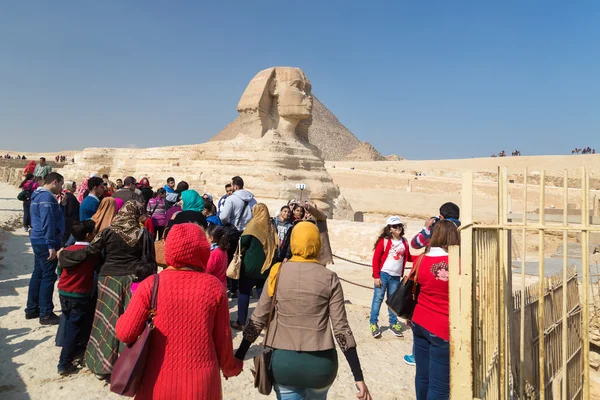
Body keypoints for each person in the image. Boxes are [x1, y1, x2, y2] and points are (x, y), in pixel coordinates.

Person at [235, 221, 373, 400]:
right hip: (321, 365)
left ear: (293, 243)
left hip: (284, 363)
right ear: (317, 244)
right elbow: (341, 329)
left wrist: (239, 356)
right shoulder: (330, 278)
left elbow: (257, 319)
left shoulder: (278, 273)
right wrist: (358, 376)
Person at [115, 223, 243, 399]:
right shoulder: (214, 287)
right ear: (202, 249)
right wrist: (231, 368)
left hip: (157, 381)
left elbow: (125, 333)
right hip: (202, 384)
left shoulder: (151, 285)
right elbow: (223, 337)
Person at [58, 200, 149, 379]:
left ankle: (102, 364)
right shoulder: (142, 233)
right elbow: (148, 260)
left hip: (107, 281)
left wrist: (66, 256)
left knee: (105, 321)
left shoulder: (107, 231)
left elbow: (90, 251)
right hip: (132, 281)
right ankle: (127, 365)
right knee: (130, 321)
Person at [405, 202, 461, 367]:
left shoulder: (439, 228)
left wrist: (427, 228)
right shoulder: (462, 230)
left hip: (430, 272)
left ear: (441, 216)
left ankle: (416, 356)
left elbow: (415, 243)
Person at [412, 220, 459, 400]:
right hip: (442, 328)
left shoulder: (421, 259)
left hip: (420, 321)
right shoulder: (457, 263)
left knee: (423, 377)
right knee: (439, 387)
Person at [55, 220, 98, 375]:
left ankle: (69, 351)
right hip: (79, 294)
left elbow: (59, 271)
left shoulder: (66, 251)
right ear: (88, 235)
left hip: (63, 291)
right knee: (74, 326)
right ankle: (64, 363)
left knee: (68, 322)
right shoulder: (92, 253)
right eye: (94, 232)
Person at [25, 172, 65, 324]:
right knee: (48, 276)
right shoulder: (47, 198)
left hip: (37, 238)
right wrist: (51, 245)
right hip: (45, 241)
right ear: (55, 181)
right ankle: (46, 313)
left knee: (38, 273)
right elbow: (47, 221)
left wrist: (60, 205)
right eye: (61, 184)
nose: (61, 187)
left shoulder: (38, 195)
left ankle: (32, 308)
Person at [230, 203, 277, 330]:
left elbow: (243, 241)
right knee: (264, 296)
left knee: (244, 292)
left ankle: (241, 322)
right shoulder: (271, 227)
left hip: (249, 267)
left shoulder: (253, 225)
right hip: (265, 267)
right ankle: (266, 322)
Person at [370, 216, 412, 338]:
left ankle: (393, 324)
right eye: (395, 226)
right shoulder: (384, 241)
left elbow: (408, 257)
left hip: (396, 276)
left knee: (393, 301)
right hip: (383, 274)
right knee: (378, 299)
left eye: (400, 225)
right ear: (390, 229)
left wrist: (422, 258)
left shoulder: (404, 242)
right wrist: (376, 276)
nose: (398, 228)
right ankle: (373, 323)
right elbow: (376, 259)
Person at [61, 181, 80, 246]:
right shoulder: (71, 197)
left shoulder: (63, 194)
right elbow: (70, 211)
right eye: (74, 186)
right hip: (69, 223)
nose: (75, 188)